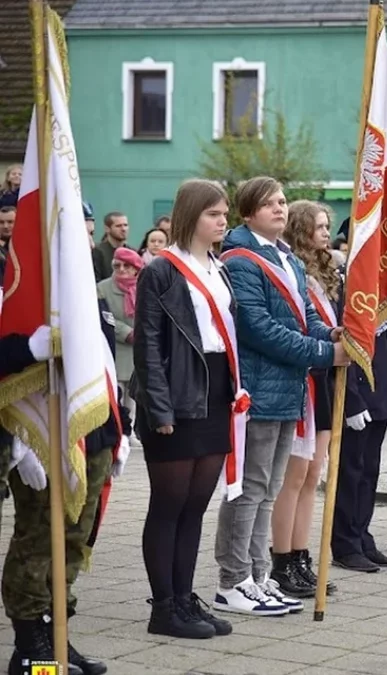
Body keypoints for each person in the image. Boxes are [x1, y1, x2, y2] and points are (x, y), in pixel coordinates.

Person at [214, 176, 347, 617]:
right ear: (248, 213)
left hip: (287, 388)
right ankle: (233, 580)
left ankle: (258, 576)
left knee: (268, 489)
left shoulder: (286, 258)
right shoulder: (241, 260)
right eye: (269, 203)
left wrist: (331, 333)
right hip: (259, 387)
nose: (280, 209)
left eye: (283, 201)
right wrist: (326, 352)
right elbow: (257, 328)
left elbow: (305, 316)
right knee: (248, 489)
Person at [135, 178, 243, 639]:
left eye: (224, 214)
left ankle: (184, 598)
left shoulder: (218, 265)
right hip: (177, 396)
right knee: (169, 503)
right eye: (214, 214)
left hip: (216, 392)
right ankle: (163, 608)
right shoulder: (161, 271)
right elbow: (148, 346)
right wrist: (159, 410)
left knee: (196, 505)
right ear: (191, 215)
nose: (222, 221)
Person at [4, 304, 130, 675]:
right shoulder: (23, 279)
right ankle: (30, 647)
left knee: (76, 539)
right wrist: (18, 439)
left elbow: (101, 361)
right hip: (41, 429)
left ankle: (55, 632)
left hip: (91, 429)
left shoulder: (79, 284)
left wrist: (118, 428)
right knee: (40, 538)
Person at [270, 200, 362, 597]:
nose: (327, 232)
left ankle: (302, 554)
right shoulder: (293, 270)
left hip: (323, 378)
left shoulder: (329, 270)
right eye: (320, 226)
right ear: (301, 228)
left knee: (313, 476)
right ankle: (281, 560)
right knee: (292, 477)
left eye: (328, 226)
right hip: (302, 377)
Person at [332, 313, 387, 572]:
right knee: (350, 474)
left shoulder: (386, 293)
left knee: (369, 473)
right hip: (359, 397)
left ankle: (363, 537)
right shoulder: (354, 290)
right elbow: (349, 347)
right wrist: (352, 400)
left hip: (382, 395)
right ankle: (345, 545)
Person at [97, 247, 143, 395]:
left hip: (140, 355)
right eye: (117, 266)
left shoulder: (146, 286)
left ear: (136, 268)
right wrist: (127, 332)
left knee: (137, 408)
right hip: (115, 353)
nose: (121, 269)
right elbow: (103, 317)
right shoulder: (102, 288)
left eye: (127, 265)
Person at [92, 211, 130, 282]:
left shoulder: (132, 252)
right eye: (118, 226)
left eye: (125, 225)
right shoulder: (97, 251)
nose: (123, 229)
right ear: (107, 229)